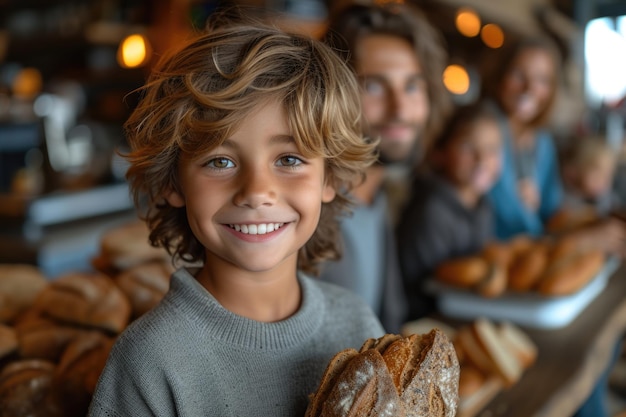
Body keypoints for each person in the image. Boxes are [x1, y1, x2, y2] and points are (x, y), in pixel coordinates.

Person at [88, 16, 385, 417]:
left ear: (328, 177)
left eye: (290, 159)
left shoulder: (358, 326)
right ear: (174, 181)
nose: (256, 191)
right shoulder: (150, 362)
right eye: (220, 161)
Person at [482, 35, 625, 417]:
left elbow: (551, 214)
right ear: (499, 75)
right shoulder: (485, 133)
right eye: (520, 75)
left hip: (532, 291)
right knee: (580, 355)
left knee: (603, 342)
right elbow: (514, 230)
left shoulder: (539, 142)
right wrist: (580, 237)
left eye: (543, 79)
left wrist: (592, 223)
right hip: (499, 287)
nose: (532, 89)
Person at [318, 2, 452, 333]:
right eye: (374, 86)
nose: (400, 109)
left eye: (411, 86)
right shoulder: (308, 213)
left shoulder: (378, 198)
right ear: (333, 93)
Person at [396, 103, 502, 320]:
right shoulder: (431, 211)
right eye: (467, 147)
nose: (482, 159)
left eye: (492, 149)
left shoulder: (483, 205)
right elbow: (419, 289)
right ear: (439, 153)